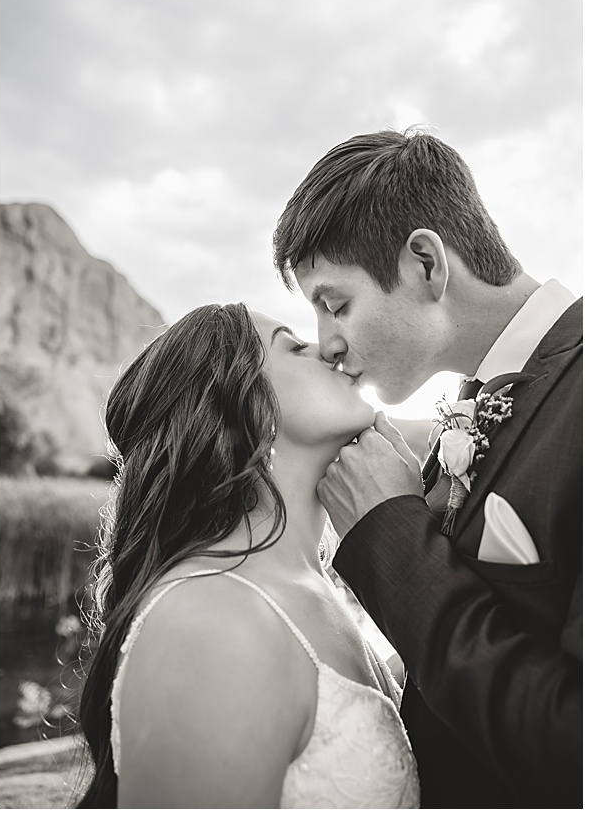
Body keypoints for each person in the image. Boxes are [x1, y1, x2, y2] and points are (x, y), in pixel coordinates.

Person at [272, 129, 581, 807]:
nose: (327, 344)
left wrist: (389, 533)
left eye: (335, 303)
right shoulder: (473, 405)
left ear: (424, 263)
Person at [76, 303, 419, 808]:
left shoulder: (317, 589)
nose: (328, 348)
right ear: (243, 415)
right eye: (294, 346)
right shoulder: (208, 619)